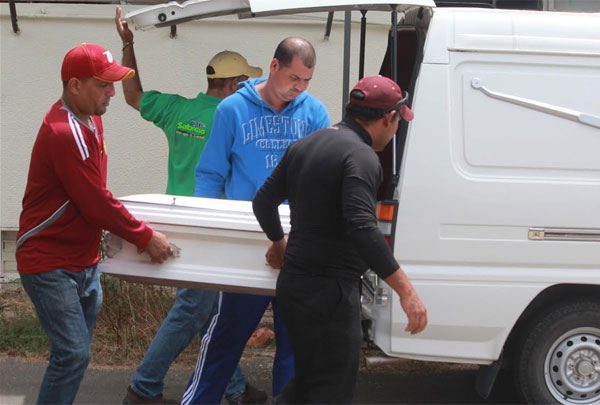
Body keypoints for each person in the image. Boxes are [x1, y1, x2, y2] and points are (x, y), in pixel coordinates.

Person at [114, 7, 266, 405]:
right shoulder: (237, 119)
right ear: (234, 84)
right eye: (246, 81)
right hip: (211, 227)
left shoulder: (179, 110)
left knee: (208, 308)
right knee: (194, 307)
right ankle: (143, 387)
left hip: (177, 221)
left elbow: (131, 94)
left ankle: (232, 386)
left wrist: (128, 44)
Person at [252, 75, 428, 404]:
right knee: (330, 392)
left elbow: (263, 201)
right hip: (329, 294)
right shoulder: (362, 158)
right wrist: (407, 291)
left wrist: (278, 243)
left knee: (307, 383)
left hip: (294, 287)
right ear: (389, 118)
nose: (396, 131)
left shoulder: (306, 144)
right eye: (397, 123)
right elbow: (362, 228)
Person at [15, 42, 173, 405]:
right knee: (73, 355)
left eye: (112, 83)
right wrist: (144, 236)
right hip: (49, 262)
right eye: (103, 85)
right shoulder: (63, 132)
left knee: (72, 357)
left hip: (83, 261)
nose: (112, 93)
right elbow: (95, 201)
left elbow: (95, 193)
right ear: (74, 86)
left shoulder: (91, 120)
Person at [183, 37, 330, 405]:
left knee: (295, 348)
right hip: (245, 240)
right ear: (274, 67)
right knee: (225, 341)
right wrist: (206, 235)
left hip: (297, 243)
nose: (299, 87)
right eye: (294, 77)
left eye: (307, 81)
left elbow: (324, 181)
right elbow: (210, 175)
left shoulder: (314, 113)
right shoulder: (232, 110)